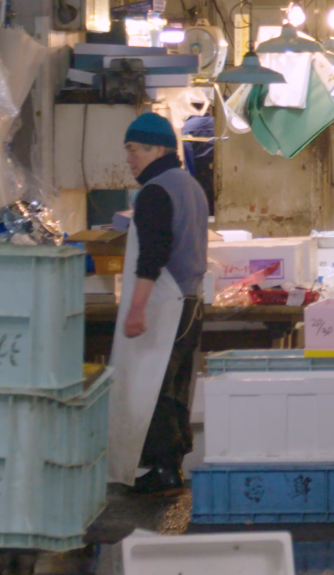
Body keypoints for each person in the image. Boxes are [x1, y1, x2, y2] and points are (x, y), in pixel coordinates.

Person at [121, 112, 210, 496]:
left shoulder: (156, 191)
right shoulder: (189, 186)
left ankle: (161, 467)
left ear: (156, 149)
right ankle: (171, 465)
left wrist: (136, 308)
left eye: (133, 149)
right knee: (175, 385)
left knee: (153, 385)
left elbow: (152, 257)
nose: (129, 158)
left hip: (166, 303)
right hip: (191, 301)